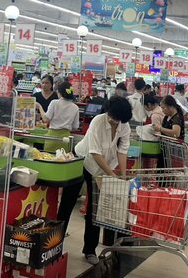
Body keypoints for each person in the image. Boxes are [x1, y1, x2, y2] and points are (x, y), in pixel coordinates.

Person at [58, 96, 132, 265]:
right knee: (68, 203)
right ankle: (56, 243)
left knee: (95, 209)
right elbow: (94, 152)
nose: (116, 123)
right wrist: (111, 175)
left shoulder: (124, 125)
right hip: (81, 161)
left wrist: (122, 174)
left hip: (102, 166)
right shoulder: (98, 122)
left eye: (119, 120)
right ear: (109, 112)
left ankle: (89, 250)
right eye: (114, 118)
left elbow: (122, 150)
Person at [41, 81, 80, 152]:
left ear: (60, 93)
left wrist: (39, 107)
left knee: (48, 158)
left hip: (52, 137)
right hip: (65, 139)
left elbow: (45, 119)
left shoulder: (54, 103)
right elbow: (75, 127)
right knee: (63, 159)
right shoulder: (75, 107)